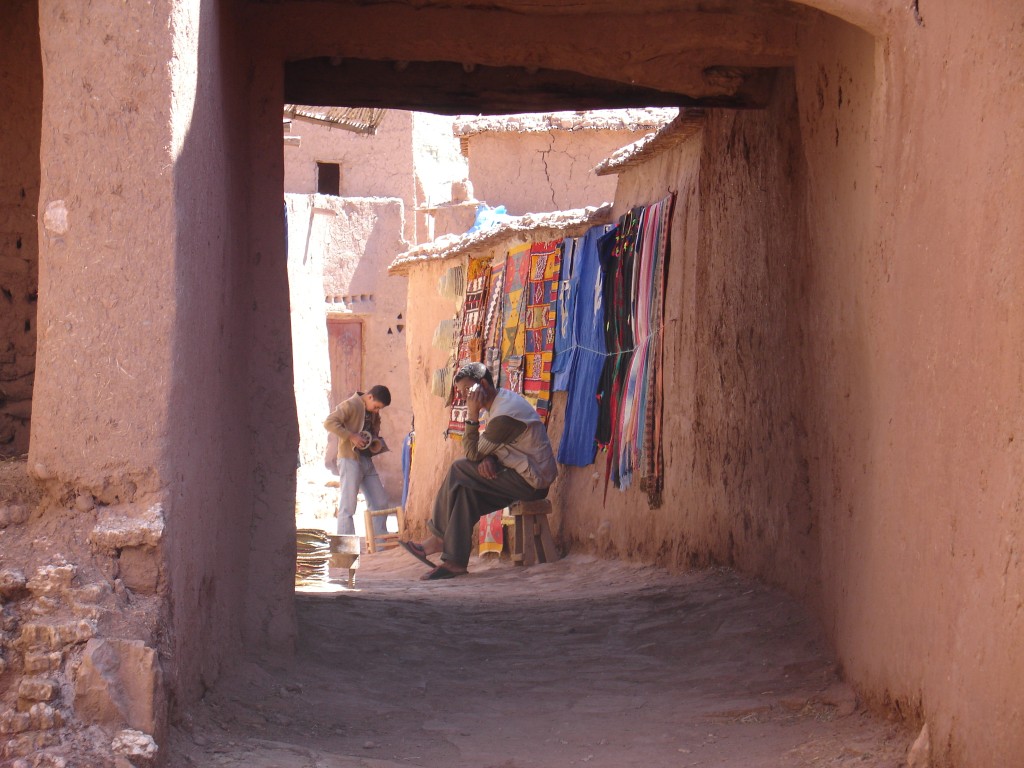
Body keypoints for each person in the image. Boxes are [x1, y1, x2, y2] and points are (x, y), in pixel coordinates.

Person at [401, 362, 557, 580]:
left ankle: (439, 536)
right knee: (466, 493)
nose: (466, 397)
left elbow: (473, 453)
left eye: (468, 390)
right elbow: (487, 450)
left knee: (459, 469)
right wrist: (489, 457)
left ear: (483, 384)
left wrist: (472, 416)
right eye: (462, 393)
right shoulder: (499, 403)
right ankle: (455, 563)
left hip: (532, 483)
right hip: (518, 473)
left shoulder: (504, 413)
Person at [323, 385, 392, 541]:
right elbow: (329, 422)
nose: (376, 411)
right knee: (348, 507)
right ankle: (345, 553)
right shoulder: (351, 404)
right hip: (349, 459)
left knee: (380, 502)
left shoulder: (371, 409)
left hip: (366, 460)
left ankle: (380, 547)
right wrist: (351, 436)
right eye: (376, 407)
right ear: (369, 397)